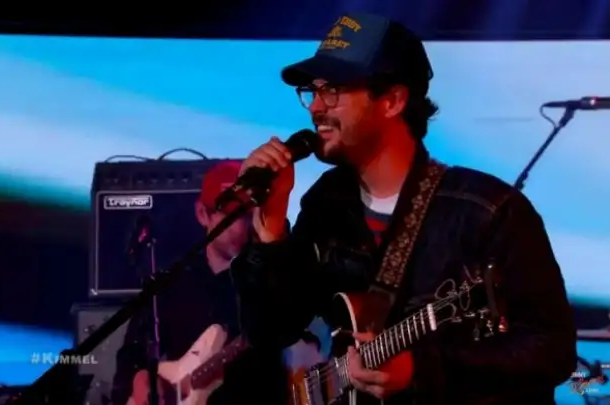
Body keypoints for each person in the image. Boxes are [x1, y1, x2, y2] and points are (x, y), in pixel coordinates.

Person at [230, 12, 578, 405]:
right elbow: (269, 332)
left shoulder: (488, 211)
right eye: (312, 91)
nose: (315, 107)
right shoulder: (328, 201)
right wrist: (270, 228)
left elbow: (551, 351)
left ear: (393, 101)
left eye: (333, 90)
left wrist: (422, 370)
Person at [111, 161, 288, 405]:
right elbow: (130, 356)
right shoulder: (172, 282)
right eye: (230, 215)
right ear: (202, 214)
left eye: (247, 214)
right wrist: (139, 378)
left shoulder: (265, 277)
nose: (240, 227)